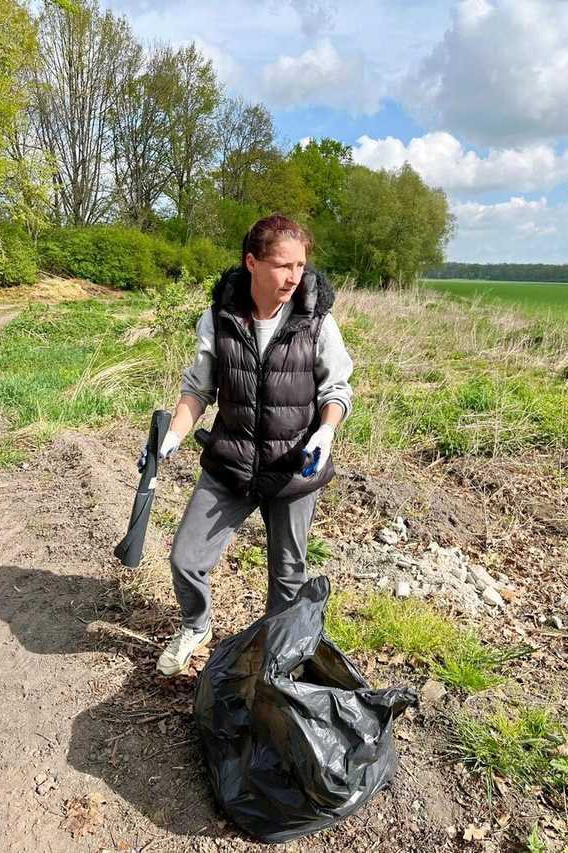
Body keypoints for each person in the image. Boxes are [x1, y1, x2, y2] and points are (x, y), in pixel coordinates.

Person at [142, 214, 354, 676]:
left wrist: (326, 430)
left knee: (287, 576)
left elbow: (337, 389)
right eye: (283, 265)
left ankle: (277, 663)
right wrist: (173, 435)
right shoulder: (219, 319)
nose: (294, 277)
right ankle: (196, 626)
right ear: (252, 263)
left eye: (300, 266)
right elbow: (198, 390)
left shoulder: (317, 322)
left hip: (294, 470)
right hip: (231, 464)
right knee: (185, 558)